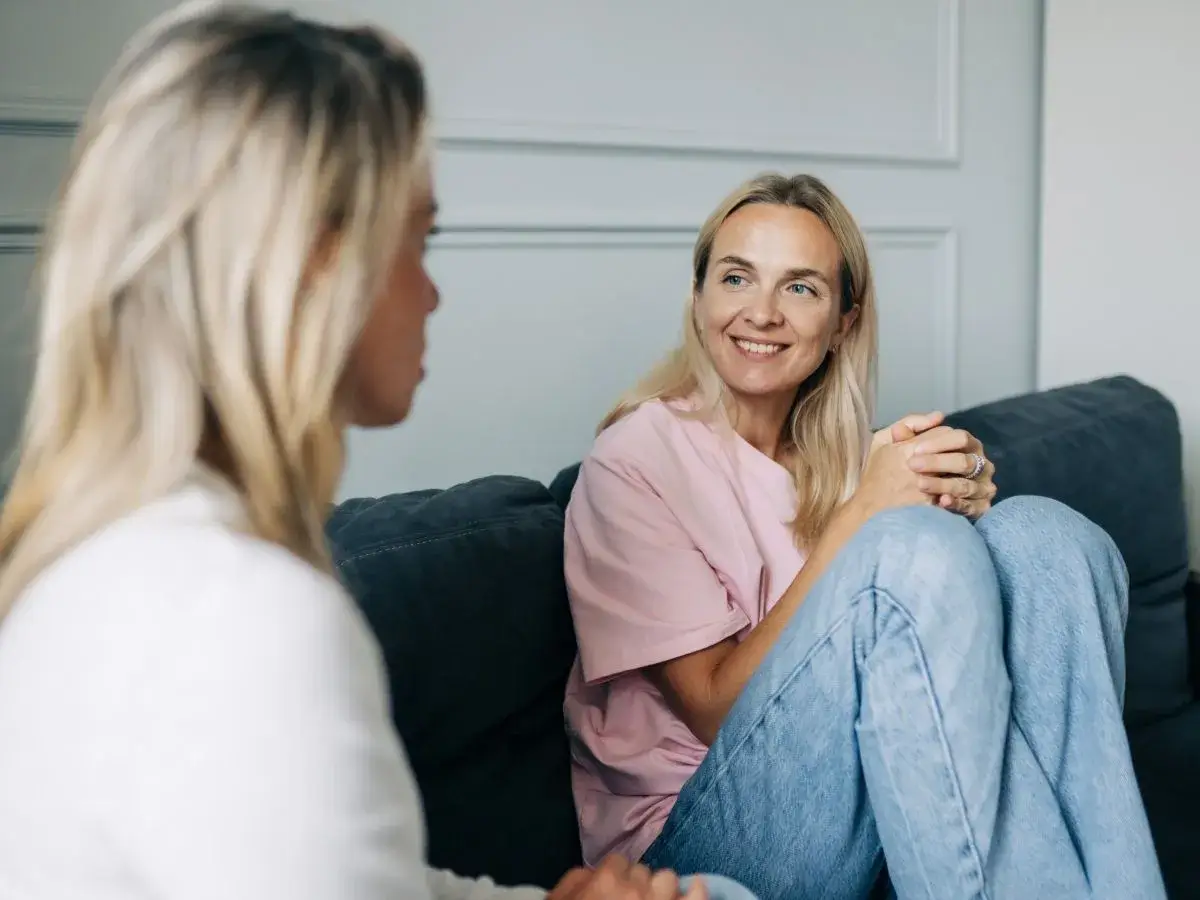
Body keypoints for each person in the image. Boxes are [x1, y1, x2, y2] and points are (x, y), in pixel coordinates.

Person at [0, 5, 757, 899]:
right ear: (320, 261)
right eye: (418, 238)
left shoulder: (112, 558)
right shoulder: (239, 615)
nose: (432, 291)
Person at [562, 172, 1168, 899]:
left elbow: (916, 666)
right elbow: (715, 709)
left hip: (869, 802)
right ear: (698, 300)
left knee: (1046, 538)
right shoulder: (633, 461)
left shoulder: (843, 457)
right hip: (691, 843)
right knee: (911, 551)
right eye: (735, 277)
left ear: (844, 320)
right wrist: (869, 521)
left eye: (801, 288)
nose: (761, 313)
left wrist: (955, 503)